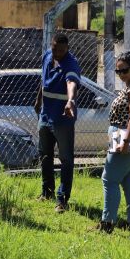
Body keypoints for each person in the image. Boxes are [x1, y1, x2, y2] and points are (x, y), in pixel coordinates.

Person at [97, 51, 130, 233]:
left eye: (124, 71)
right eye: (118, 72)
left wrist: (126, 141)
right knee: (129, 183)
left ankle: (107, 223)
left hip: (126, 136)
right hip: (129, 137)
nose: (121, 75)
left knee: (109, 179)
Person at [34, 33, 80, 213]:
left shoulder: (71, 63)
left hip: (63, 118)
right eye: (55, 50)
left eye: (61, 51)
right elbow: (43, 81)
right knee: (45, 155)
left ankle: (62, 199)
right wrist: (38, 99)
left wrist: (71, 101)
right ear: (51, 46)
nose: (58, 54)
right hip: (45, 116)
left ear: (67, 49)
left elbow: (72, 83)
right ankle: (47, 191)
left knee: (66, 159)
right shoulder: (47, 56)